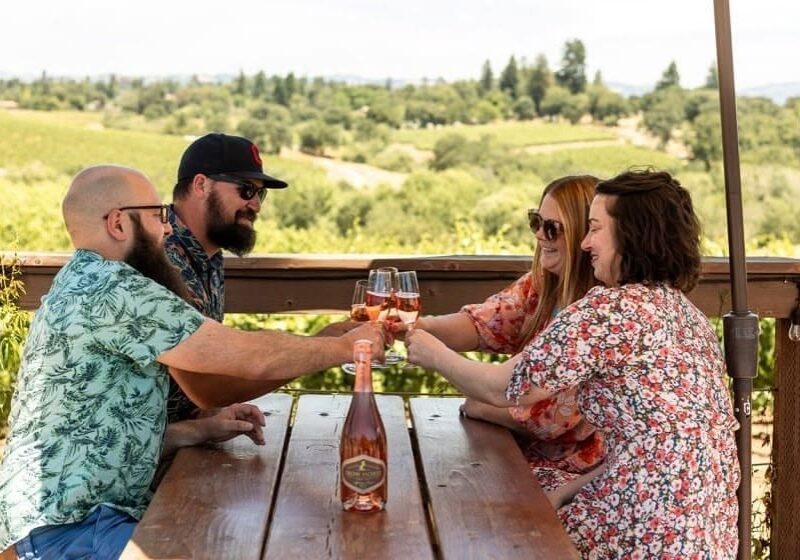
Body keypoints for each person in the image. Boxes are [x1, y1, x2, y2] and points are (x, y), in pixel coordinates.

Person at [0, 165, 382, 559]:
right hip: (65, 531)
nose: (167, 229)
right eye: (157, 215)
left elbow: (96, 435)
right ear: (118, 223)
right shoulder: (116, 290)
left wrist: (196, 431)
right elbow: (247, 357)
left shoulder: (82, 278)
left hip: (57, 521)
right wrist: (345, 346)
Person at [406, 169, 739, 557]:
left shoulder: (609, 309)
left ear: (631, 234)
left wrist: (431, 353)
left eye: (595, 228)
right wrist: (561, 494)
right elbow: (654, 448)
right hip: (705, 532)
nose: (584, 242)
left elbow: (506, 388)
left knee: (487, 517)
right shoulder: (688, 316)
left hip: (642, 530)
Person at [411, 175, 605, 492]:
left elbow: (552, 422)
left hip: (572, 479)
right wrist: (418, 327)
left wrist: (482, 405)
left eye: (552, 228)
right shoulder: (543, 286)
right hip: (521, 457)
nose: (540, 235)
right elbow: (486, 323)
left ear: (586, 237)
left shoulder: (597, 312)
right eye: (536, 222)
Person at [164, 132, 289, 421]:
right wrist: (329, 348)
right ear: (200, 185)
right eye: (246, 190)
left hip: (177, 439)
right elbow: (207, 388)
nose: (256, 204)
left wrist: (211, 419)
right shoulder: (162, 256)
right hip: (137, 459)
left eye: (261, 193)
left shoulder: (208, 252)